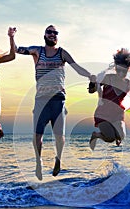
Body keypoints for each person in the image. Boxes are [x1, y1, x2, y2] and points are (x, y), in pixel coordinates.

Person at [16, 25, 96, 180]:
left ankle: (58, 159)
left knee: (59, 135)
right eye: (49, 32)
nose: (53, 34)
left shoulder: (62, 53)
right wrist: (11, 37)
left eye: (55, 33)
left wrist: (90, 76)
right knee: (37, 134)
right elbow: (17, 49)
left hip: (58, 99)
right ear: (44, 35)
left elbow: (77, 68)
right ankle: (38, 162)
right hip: (41, 100)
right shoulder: (37, 51)